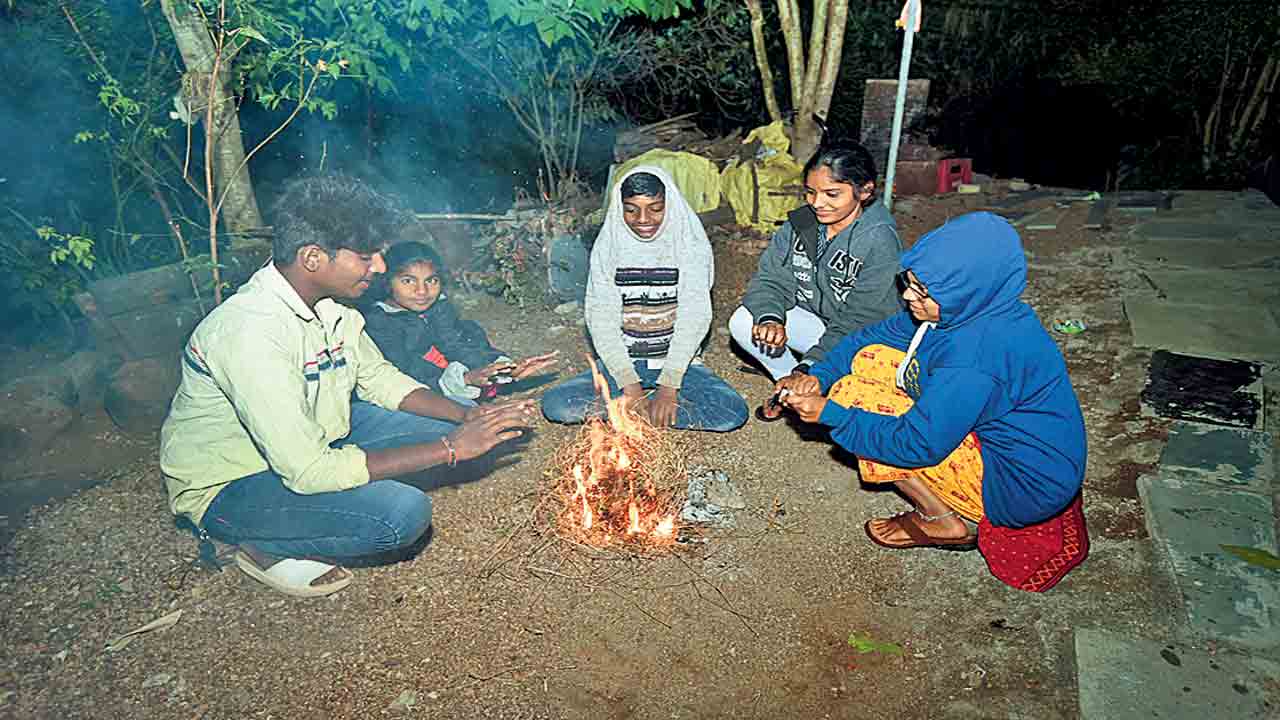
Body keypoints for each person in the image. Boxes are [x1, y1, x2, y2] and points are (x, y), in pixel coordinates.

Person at [160, 175, 537, 598]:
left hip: (317, 432)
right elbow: (307, 470)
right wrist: (452, 449)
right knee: (399, 515)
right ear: (313, 258)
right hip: (237, 481)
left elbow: (380, 379)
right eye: (365, 256)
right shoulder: (249, 332)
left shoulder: (333, 307)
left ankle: (342, 494)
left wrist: (466, 415)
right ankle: (254, 542)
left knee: (441, 428)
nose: (378, 267)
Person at [778, 212, 1089, 592]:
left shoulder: (974, 357)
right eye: (911, 283)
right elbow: (872, 337)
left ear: (965, 290)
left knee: (854, 399)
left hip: (1018, 485)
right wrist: (819, 376)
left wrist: (832, 412)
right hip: (1027, 448)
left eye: (923, 291)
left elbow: (915, 445)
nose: (909, 296)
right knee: (869, 360)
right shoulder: (975, 308)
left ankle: (940, 518)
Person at [541, 166, 748, 431]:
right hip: (624, 360)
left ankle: (635, 412)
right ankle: (650, 412)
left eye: (655, 208)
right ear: (619, 207)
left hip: (678, 362)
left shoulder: (690, 244)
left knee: (729, 413)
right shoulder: (609, 247)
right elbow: (601, 319)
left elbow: (694, 316)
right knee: (558, 405)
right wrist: (629, 385)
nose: (643, 219)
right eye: (631, 209)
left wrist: (669, 385)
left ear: (669, 205)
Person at [729, 140, 902, 421]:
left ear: (865, 191)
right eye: (810, 192)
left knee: (861, 383)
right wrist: (771, 317)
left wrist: (811, 364)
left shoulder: (878, 238)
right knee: (744, 321)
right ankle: (789, 385)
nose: (817, 204)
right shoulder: (803, 222)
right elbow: (771, 277)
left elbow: (861, 318)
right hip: (822, 323)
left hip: (864, 337)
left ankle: (810, 383)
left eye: (832, 194)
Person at [362, 241, 559, 404]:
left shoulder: (438, 305)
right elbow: (405, 369)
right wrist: (463, 380)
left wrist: (500, 367)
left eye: (431, 281)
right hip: (411, 376)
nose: (422, 291)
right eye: (408, 281)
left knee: (469, 330)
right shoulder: (380, 321)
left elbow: (453, 343)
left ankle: (486, 381)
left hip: (437, 356)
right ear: (387, 281)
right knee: (457, 405)